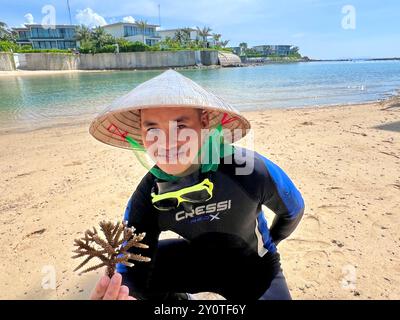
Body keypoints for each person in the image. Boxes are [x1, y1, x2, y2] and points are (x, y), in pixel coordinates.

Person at [88, 69, 305, 300]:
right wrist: (125, 295)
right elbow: (131, 268)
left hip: (254, 269)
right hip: (197, 263)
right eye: (152, 129)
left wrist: (271, 241)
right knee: (126, 280)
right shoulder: (147, 195)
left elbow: (293, 210)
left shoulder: (247, 170)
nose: (167, 142)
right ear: (141, 134)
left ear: (203, 123)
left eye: (180, 126)